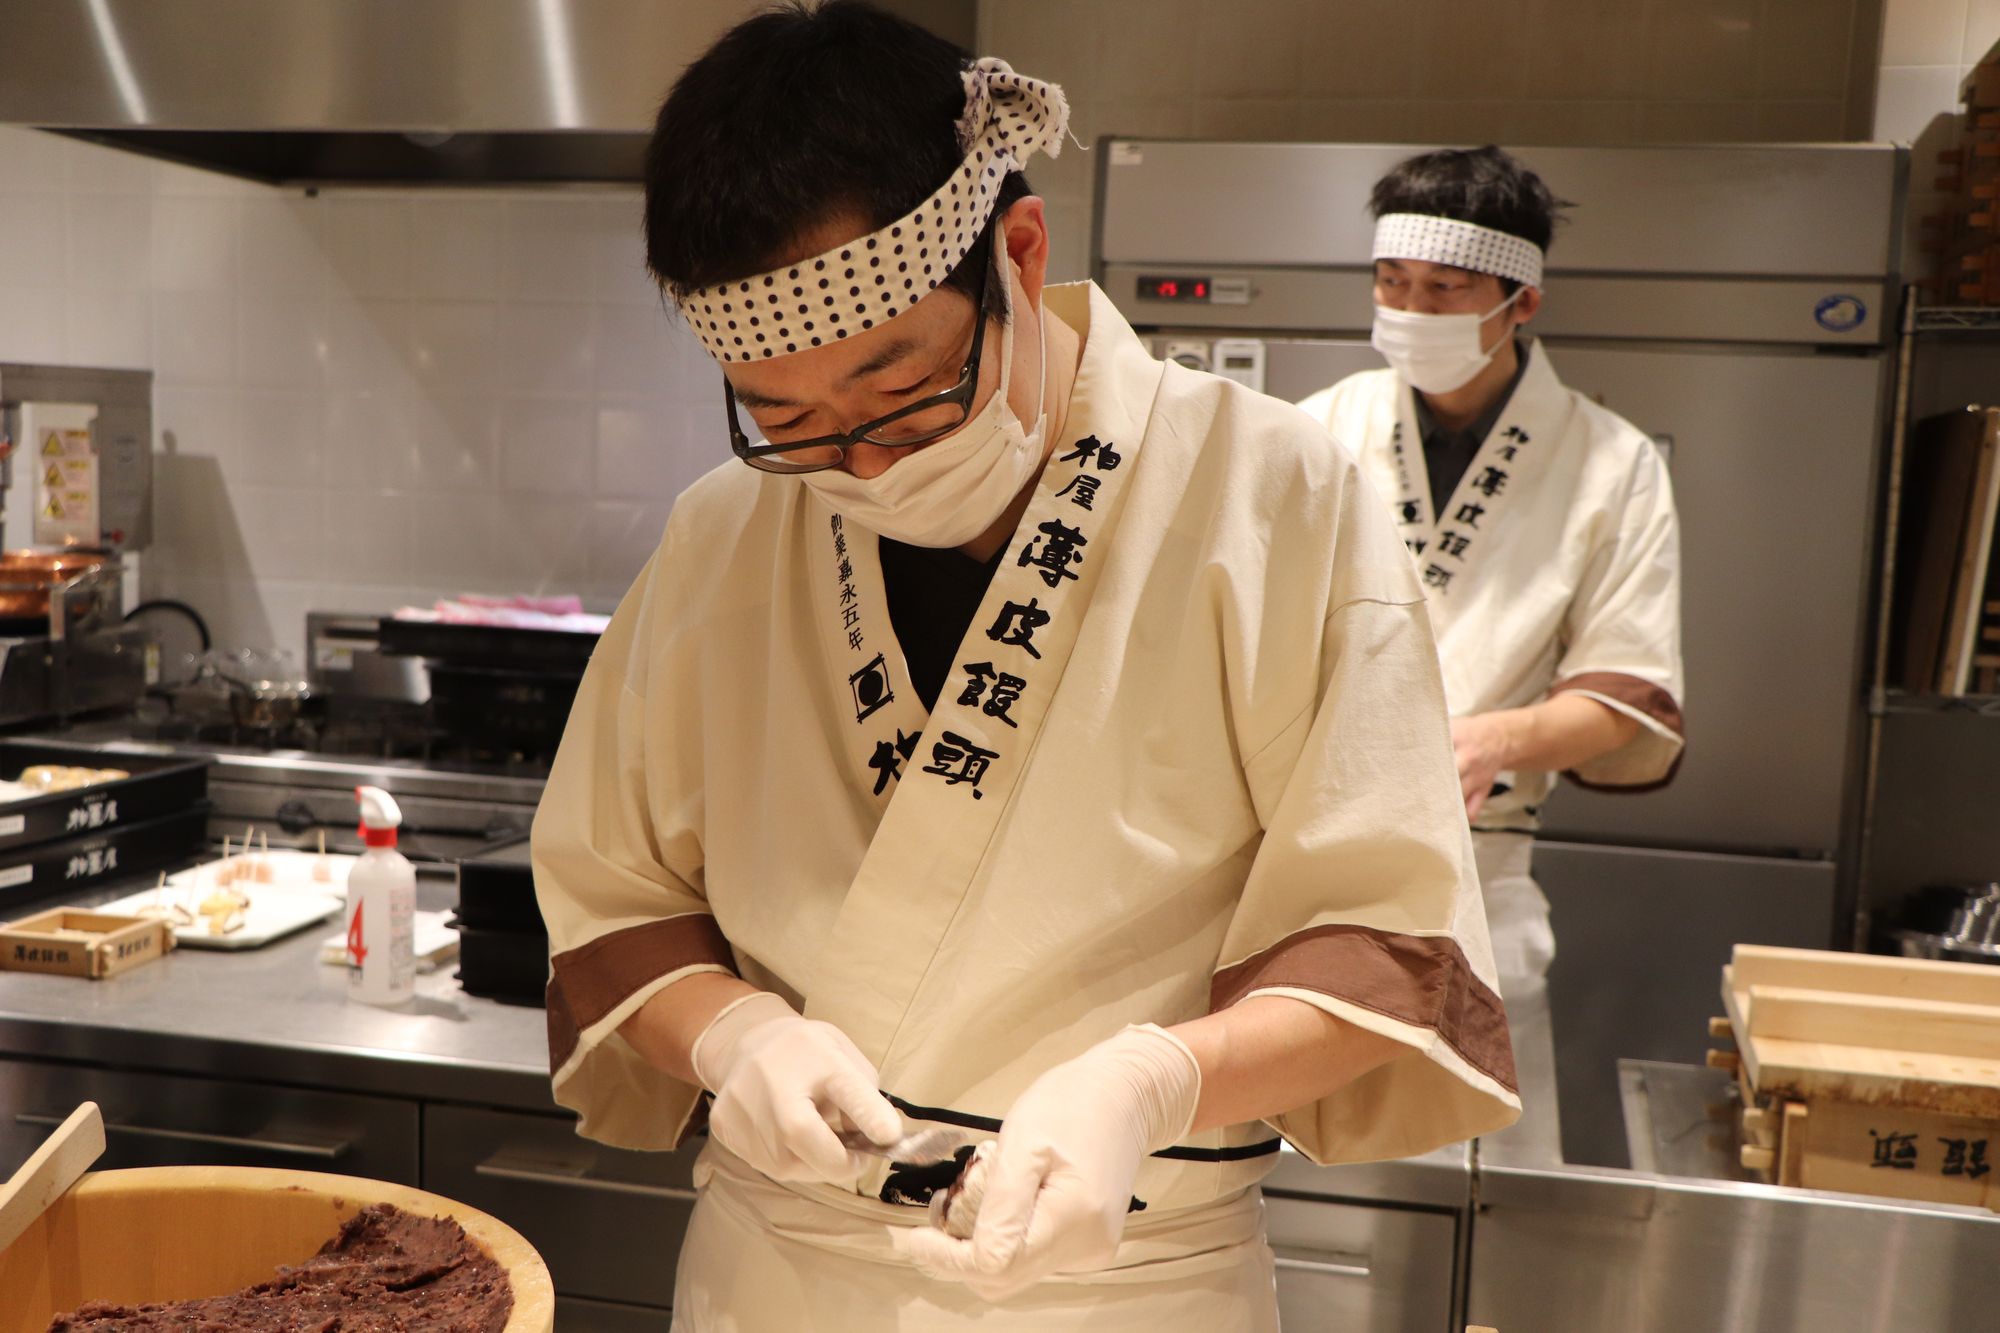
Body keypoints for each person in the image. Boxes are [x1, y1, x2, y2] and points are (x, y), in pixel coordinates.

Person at [532, 6, 1517, 1328]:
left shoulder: (1277, 495)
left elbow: (1388, 944)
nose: (859, 463)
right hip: (775, 1267)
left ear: (1020, 251)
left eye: (900, 391)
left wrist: (1151, 1083)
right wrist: (728, 1031)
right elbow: (611, 897)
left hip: (1126, 1280)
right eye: (786, 419)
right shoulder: (725, 529)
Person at [1297, 146, 1686, 1162]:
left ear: (1522, 302)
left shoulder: (1612, 463)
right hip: (1305, 868)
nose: (1409, 309)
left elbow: (1629, 694)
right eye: (1391, 282)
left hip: (1481, 878)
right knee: (1293, 1192)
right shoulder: (1319, 429)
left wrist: (1494, 740)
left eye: (1443, 289)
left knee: (1471, 1195)